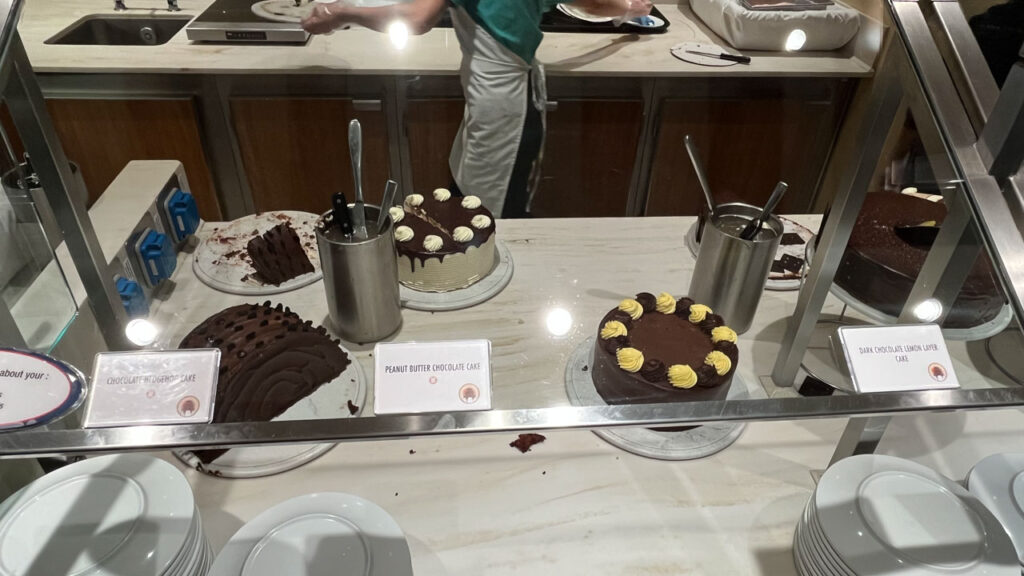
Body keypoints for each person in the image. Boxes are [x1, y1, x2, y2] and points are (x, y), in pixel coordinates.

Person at [303, 0, 652, 218]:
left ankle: (495, 317)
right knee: (472, 196)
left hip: (502, 108)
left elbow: (418, 17)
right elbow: (592, 2)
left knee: (488, 217)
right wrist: (628, 7)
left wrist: (341, 13)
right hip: (509, 99)